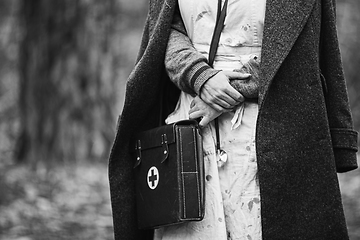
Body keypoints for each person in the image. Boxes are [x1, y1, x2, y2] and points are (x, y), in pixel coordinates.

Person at [108, 0, 358, 239]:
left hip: (273, 121)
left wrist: (230, 89)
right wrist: (199, 76)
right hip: (189, 124)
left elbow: (304, 52)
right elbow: (164, 28)